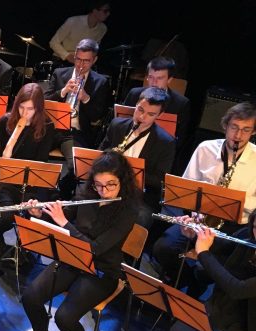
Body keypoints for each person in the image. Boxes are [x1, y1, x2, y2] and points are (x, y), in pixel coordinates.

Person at [10, 152, 139, 331]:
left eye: (111, 185)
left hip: (102, 270)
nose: (104, 191)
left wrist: (64, 223)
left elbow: (97, 248)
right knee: (30, 296)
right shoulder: (86, 194)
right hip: (72, 258)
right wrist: (41, 213)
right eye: (98, 185)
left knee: (65, 317)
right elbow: (63, 221)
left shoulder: (128, 210)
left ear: (123, 181)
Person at [152, 102, 256, 289]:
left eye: (246, 130)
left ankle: (196, 290)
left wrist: (228, 202)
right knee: (163, 248)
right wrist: (193, 215)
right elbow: (186, 188)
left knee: (207, 267)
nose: (238, 136)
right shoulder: (206, 149)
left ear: (253, 132)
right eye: (234, 128)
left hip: (233, 226)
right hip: (198, 218)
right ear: (225, 126)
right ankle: (185, 280)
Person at [0, 83, 55, 255]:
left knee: (33, 217)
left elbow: (41, 163)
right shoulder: (6, 121)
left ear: (38, 109)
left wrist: (32, 196)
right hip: (6, 182)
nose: (25, 113)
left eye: (30, 109)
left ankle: (23, 253)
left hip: (31, 185)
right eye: (21, 108)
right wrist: (14, 135)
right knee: (9, 216)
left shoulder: (47, 126)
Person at [45, 38, 111, 197]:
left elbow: (99, 115)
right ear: (74, 56)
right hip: (52, 127)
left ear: (94, 60)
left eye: (86, 61)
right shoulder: (60, 74)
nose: (81, 65)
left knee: (76, 168)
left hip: (74, 133)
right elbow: (45, 102)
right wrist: (64, 91)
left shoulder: (101, 82)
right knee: (30, 152)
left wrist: (86, 98)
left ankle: (61, 195)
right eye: (78, 59)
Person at [100, 87, 175, 226]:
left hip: (138, 195)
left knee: (140, 218)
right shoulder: (117, 125)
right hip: (106, 185)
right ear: (136, 104)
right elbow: (101, 152)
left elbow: (160, 180)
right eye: (140, 110)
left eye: (150, 114)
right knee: (81, 199)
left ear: (160, 115)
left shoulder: (166, 142)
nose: (142, 117)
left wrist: (127, 170)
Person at [123, 56, 191, 173]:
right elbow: (122, 123)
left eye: (159, 78)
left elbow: (181, 139)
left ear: (169, 79)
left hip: (156, 154)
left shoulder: (181, 103)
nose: (153, 83)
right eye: (150, 77)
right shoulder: (134, 94)